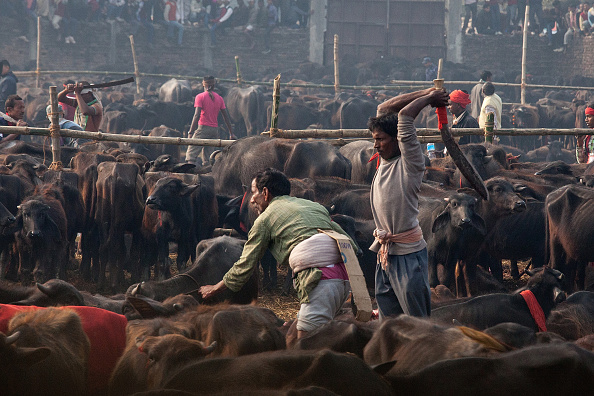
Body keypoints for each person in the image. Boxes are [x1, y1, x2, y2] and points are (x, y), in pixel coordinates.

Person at [199, 168, 355, 339]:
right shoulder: (314, 206)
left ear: (265, 192)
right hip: (344, 280)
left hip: (320, 281)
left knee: (306, 347)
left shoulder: (265, 219)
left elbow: (245, 265)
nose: (251, 200)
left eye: (253, 193)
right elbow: (347, 241)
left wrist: (214, 288)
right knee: (292, 337)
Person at [369, 88, 448, 319]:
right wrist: (427, 91)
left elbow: (404, 118)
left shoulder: (410, 162)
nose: (376, 145)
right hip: (385, 254)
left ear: (398, 141)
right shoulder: (384, 159)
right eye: (375, 139)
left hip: (407, 255)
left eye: (380, 140)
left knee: (417, 322)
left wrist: (430, 100)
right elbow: (385, 109)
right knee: (388, 323)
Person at [185, 76, 235, 167]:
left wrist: (191, 131)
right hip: (214, 130)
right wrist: (231, 133)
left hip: (202, 129)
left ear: (203, 84)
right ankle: (208, 176)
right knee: (208, 159)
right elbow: (226, 117)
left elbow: (196, 115)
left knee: (191, 155)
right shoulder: (219, 98)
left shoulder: (200, 97)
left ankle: (190, 175)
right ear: (214, 85)